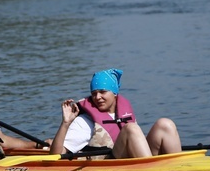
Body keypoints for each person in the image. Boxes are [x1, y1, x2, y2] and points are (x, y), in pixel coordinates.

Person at [49, 68, 182, 159]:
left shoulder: (124, 112)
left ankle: (181, 168)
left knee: (165, 124)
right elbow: (56, 155)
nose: (98, 97)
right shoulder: (84, 121)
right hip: (111, 164)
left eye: (102, 92)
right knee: (130, 128)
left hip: (133, 160)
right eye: (94, 93)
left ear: (115, 93)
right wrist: (65, 123)